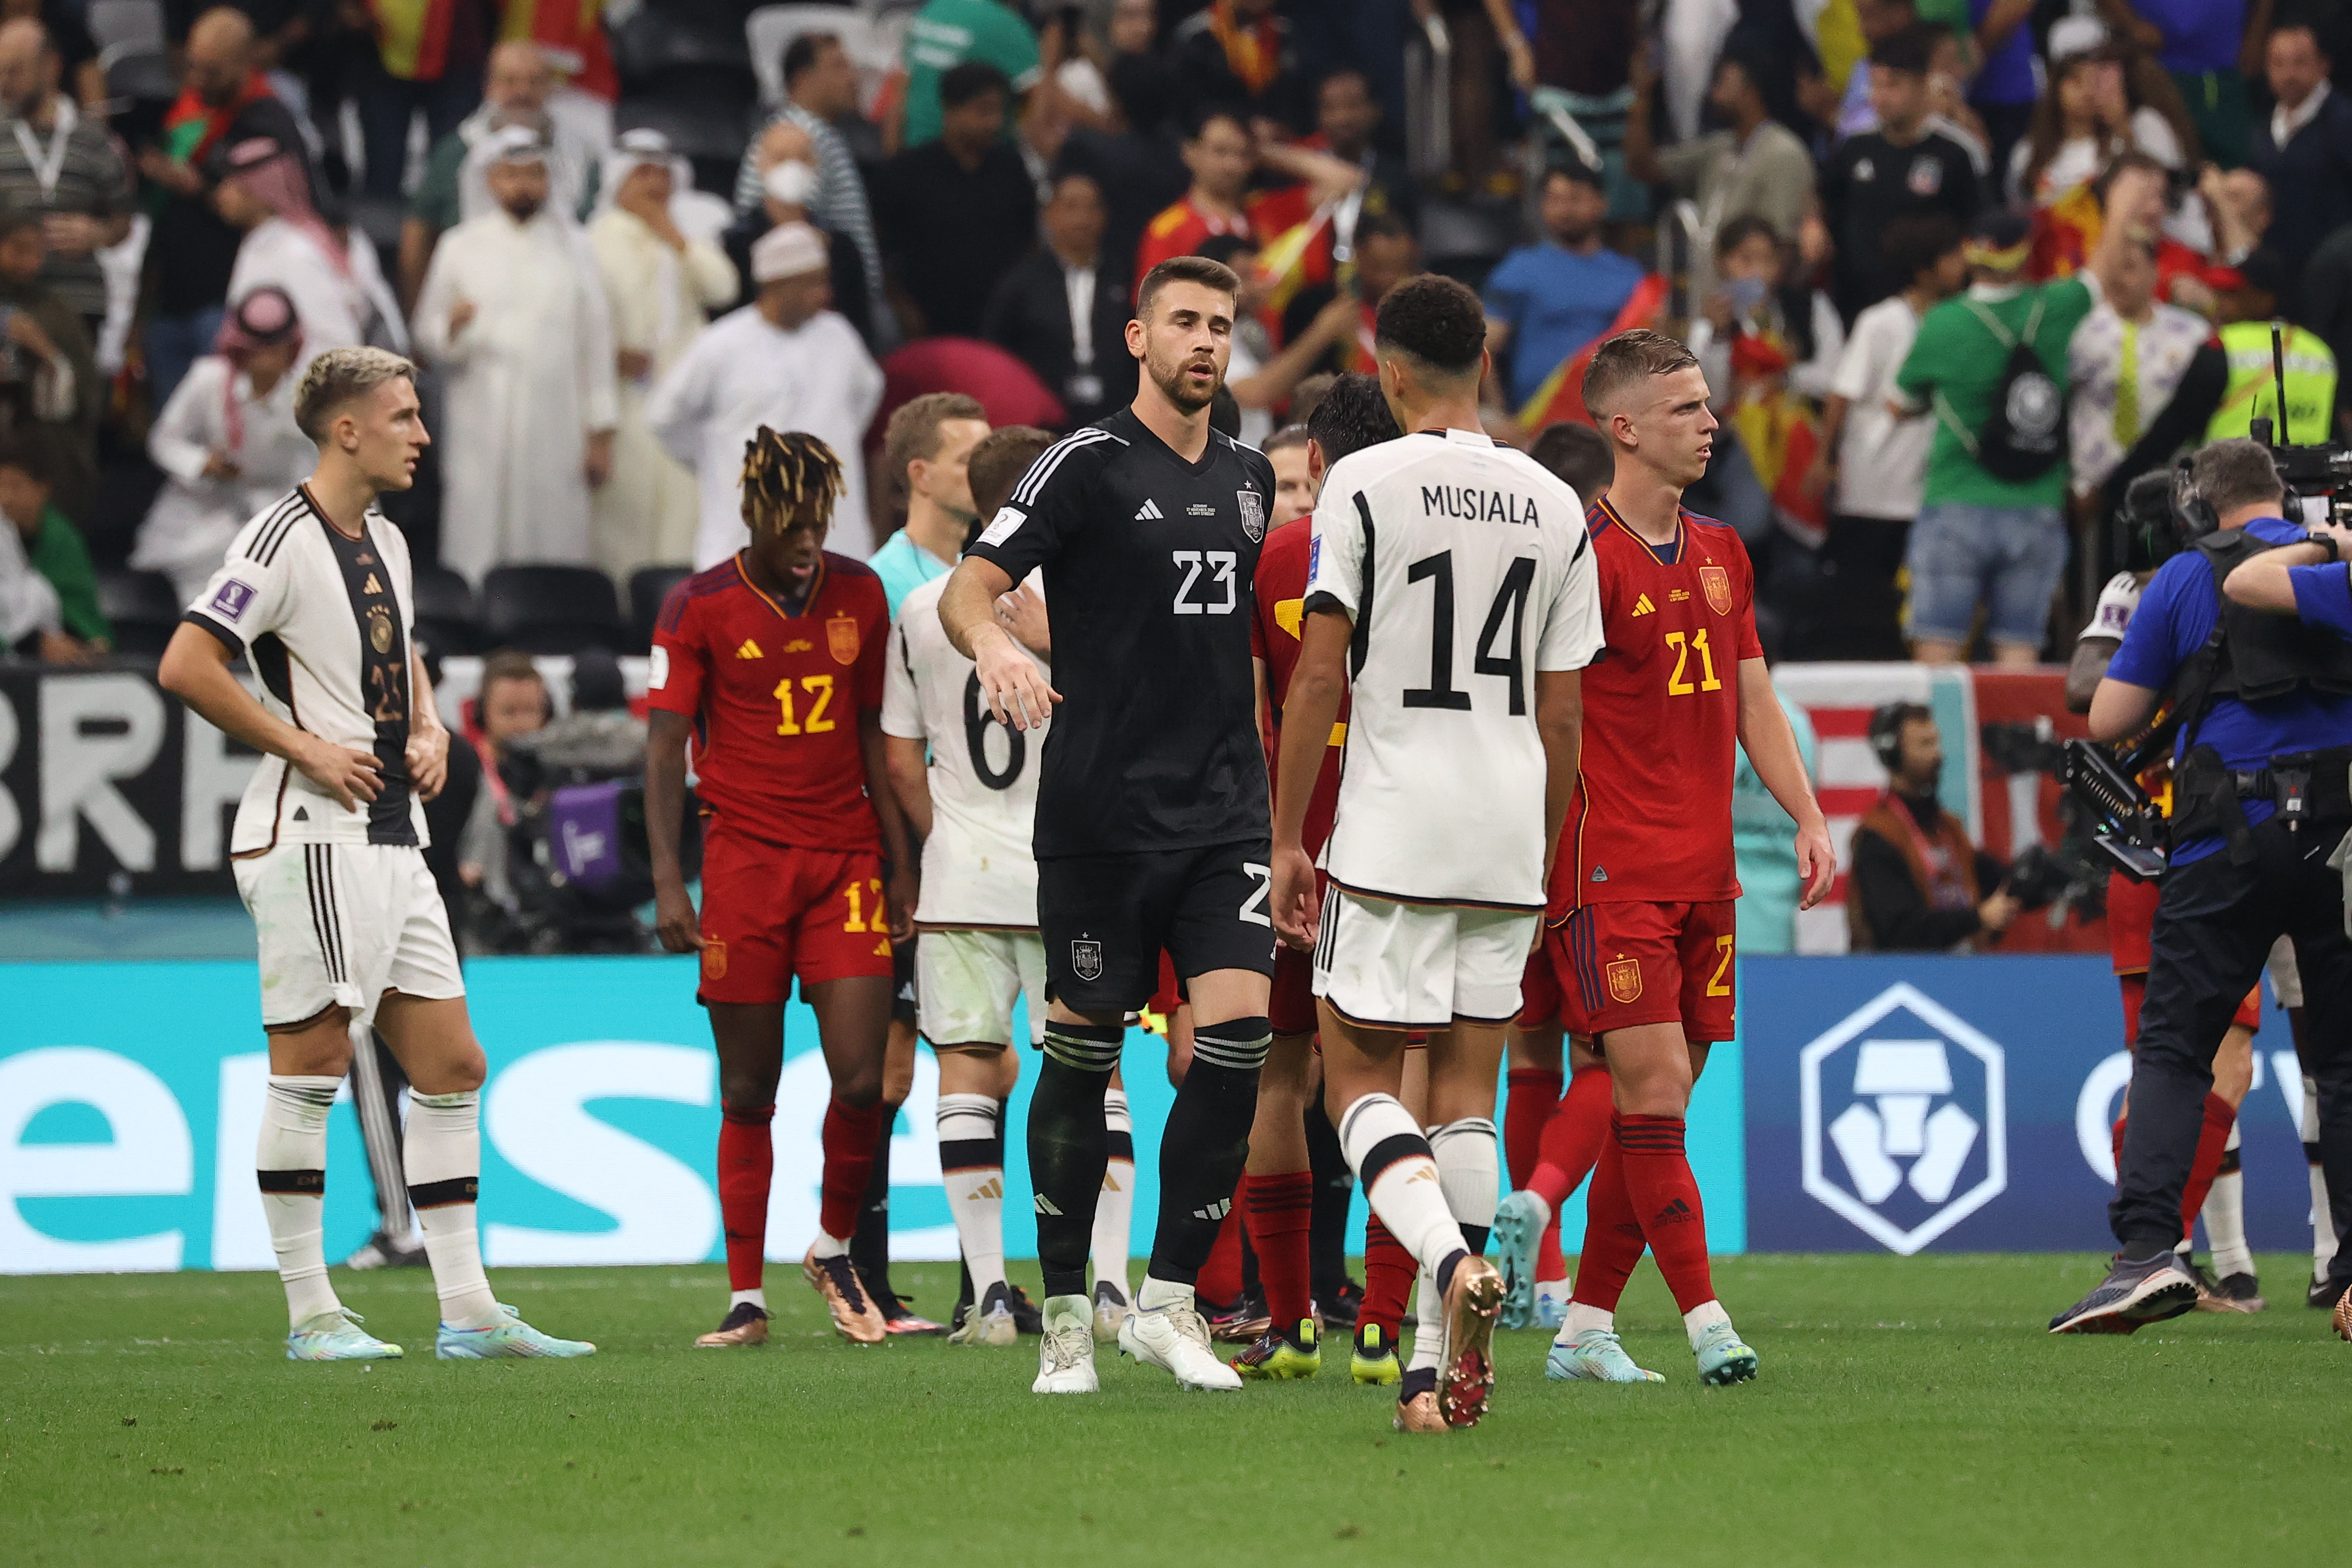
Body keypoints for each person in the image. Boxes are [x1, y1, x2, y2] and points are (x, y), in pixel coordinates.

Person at [155, 345, 593, 1362]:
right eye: (404, 416)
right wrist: (305, 744)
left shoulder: (386, 541)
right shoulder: (274, 539)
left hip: (396, 834)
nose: (422, 434)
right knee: (309, 1067)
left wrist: (433, 728)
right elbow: (186, 662)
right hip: (312, 834)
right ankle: (313, 1315)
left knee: (452, 1065)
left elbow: (406, 660)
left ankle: (470, 1314)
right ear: (347, 429)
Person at [940, 253, 1277, 1397]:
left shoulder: (1248, 478)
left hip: (1224, 813)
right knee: (1084, 1055)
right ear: (1137, 338)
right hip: (1098, 817)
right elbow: (968, 588)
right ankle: (1071, 1317)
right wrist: (994, 646)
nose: (1205, 343)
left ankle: (1171, 1305)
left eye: (1221, 326)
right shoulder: (1082, 466)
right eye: (1184, 321)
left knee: (1237, 1048)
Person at [1264, 274, 1597, 1429]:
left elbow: (1319, 674)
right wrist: (1546, 850)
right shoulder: (1559, 503)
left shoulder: (1360, 480)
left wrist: (1286, 836)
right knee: (1466, 1095)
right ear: (1489, 361)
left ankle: (1452, 1268)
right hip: (1508, 829)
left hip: (1396, 820)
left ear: (1389, 373)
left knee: (1354, 1074)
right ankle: (1428, 1378)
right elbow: (1566, 718)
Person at [1492, 328, 1834, 1386]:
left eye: (1707, 404)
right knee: (1646, 1093)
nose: (1710, 423)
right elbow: (1530, 716)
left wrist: (1809, 816)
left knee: (1664, 1107)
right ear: (1624, 427)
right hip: (1605, 872)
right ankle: (1707, 1324)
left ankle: (1586, 1323)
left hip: (1705, 875)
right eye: (1686, 407)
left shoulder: (1726, 552)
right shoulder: (1574, 559)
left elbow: (1754, 700)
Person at [2053, 436, 2352, 1335]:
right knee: (2340, 1062)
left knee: (2175, 1052)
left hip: (2224, 831)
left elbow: (2106, 715)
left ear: (2201, 505)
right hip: (2341, 832)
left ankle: (2147, 1254)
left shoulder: (2183, 577)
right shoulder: (2336, 563)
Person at [642, 427, 913, 1350]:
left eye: (819, 522)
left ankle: (833, 1247)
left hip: (844, 861)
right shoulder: (699, 604)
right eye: (791, 523)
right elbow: (663, 750)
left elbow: (877, 733)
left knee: (864, 1079)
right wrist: (668, 885)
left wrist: (901, 860)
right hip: (745, 867)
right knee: (748, 1088)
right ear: (754, 514)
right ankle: (746, 1297)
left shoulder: (862, 593)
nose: (808, 540)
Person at [882, 422, 1064, 1346]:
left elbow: (900, 756)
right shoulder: (1073, 599)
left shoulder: (921, 609)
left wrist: (942, 836)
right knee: (1089, 1074)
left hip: (959, 872)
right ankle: (1105, 1289)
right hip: (1066, 870)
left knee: (963, 1072)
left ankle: (989, 1294)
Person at [2068, 560, 2270, 1314]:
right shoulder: (2141, 591)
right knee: (2176, 1065)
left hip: (2233, 854)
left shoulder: (2265, 582)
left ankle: (2165, 1254)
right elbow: (2084, 692)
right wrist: (2170, 652)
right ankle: (2154, 1255)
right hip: (2157, 864)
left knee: (2232, 1069)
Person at [1895, 174, 2155, 666]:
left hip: (1955, 501)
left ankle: (1943, 745)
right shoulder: (2058, 307)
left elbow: (1899, 403)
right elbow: (2103, 264)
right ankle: (2016, 742)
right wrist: (2120, 206)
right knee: (2019, 648)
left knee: (1938, 646)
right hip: (2036, 505)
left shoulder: (1943, 321)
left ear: (1973, 253)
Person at [412, 126, 617, 586]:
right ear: (490, 180)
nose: (523, 186)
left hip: (558, 419)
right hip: (481, 414)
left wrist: (601, 430)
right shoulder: (459, 246)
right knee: (479, 525)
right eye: (511, 175)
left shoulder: (577, 249)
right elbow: (427, 334)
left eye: (533, 175)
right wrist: (453, 329)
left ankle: (548, 616)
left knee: (553, 523)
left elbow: (596, 341)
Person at [647, 222, 885, 568]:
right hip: (744, 530)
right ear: (778, 284)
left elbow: (867, 397)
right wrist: (713, 459)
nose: (825, 293)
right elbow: (664, 416)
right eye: (813, 282)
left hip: (835, 529)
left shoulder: (840, 336)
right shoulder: (723, 343)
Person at [1807, 214, 1965, 661]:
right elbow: (1842, 392)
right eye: (1951, 258)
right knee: (1865, 594)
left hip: (1927, 487)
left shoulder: (1958, 321)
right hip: (1873, 482)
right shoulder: (1881, 322)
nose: (1963, 265)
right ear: (1924, 269)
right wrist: (1824, 457)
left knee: (1915, 598)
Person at [139, 7, 312, 407]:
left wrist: (198, 187)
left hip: (226, 303)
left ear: (244, 62)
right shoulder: (185, 113)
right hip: (169, 299)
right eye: (193, 68)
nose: (198, 80)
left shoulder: (268, 121)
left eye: (212, 71)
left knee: (225, 431)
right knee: (176, 432)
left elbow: (285, 208)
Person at [586, 130, 739, 581]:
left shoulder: (688, 239)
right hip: (622, 406)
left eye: (662, 174)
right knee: (622, 525)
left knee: (681, 524)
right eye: (642, 173)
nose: (654, 184)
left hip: (684, 407)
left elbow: (723, 287)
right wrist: (610, 355)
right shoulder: (593, 241)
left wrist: (673, 235)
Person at [134, 287, 310, 604]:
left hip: (274, 511)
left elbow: (314, 465)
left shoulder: (305, 397)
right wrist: (202, 463)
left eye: (277, 349)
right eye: (259, 349)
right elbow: (163, 440)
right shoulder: (208, 380)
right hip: (205, 508)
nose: (268, 359)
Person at [397, 41, 601, 311]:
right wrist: (418, 316)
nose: (522, 92)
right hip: (472, 304)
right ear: (489, 86)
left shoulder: (581, 156)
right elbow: (418, 232)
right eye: (510, 81)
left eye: (534, 82)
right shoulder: (457, 151)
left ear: (551, 88)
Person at [1818, 26, 1983, 322]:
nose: (1879, 97)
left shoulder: (1956, 153)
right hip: (1856, 304)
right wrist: (1812, 223)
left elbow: (1977, 226)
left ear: (1922, 84)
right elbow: (1824, 200)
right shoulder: (1855, 147)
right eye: (1875, 85)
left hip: (1933, 311)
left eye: (1892, 85)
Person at [872, 62, 1037, 342]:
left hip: (998, 325)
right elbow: (882, 249)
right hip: (927, 325)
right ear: (951, 110)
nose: (994, 123)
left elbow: (1028, 241)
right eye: (982, 111)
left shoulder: (1010, 167)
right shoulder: (908, 171)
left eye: (998, 112)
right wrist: (901, 306)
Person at [733, 32, 884, 329]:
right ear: (803, 78)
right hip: (825, 300)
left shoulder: (823, 134)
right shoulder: (798, 135)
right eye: (838, 67)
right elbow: (786, 217)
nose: (851, 77)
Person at [219, 137, 406, 374]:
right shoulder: (261, 244)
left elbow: (337, 344)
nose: (221, 195)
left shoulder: (294, 251)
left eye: (233, 186)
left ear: (258, 190)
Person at [0, 17, 130, 340]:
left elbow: (123, 221)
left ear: (50, 66)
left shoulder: (95, 138)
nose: (4, 82)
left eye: (14, 70)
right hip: (8, 306)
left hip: (79, 304)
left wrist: (98, 232)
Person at [1846, 703, 2014, 950]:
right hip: (1903, 978)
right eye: (1925, 745)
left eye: (1936, 742)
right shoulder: (1878, 835)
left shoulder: (1948, 827)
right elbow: (1898, 931)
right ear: (1893, 754)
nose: (1938, 755)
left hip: (1962, 971)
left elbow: (1993, 878)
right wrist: (1977, 919)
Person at [1481, 164, 1646, 413]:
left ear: (1602, 203)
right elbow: (1484, 349)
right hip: (1536, 420)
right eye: (1555, 199)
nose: (1565, 210)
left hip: (1610, 417)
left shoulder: (1630, 277)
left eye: (1576, 199)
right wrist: (1499, 415)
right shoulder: (1519, 269)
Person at [984, 170, 1138, 431]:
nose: (1082, 219)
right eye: (1070, 207)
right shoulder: (1022, 281)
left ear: (1104, 217)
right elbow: (997, 348)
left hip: (1117, 412)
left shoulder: (1124, 276)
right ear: (1048, 215)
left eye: (1091, 208)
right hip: (1044, 414)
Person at [1624, 39, 1815, 246]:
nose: (1712, 93)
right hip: (1704, 276)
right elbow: (1643, 167)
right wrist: (1642, 98)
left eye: (1721, 81)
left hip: (1750, 278)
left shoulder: (1784, 152)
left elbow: (1783, 243)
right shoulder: (1718, 147)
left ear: (1749, 90)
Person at [2246, 20, 2352, 312]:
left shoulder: (2344, 123)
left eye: (2300, 63)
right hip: (2277, 280)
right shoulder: (2263, 130)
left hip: (2337, 285)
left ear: (2323, 65)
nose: (2289, 74)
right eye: (2278, 64)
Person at [0, 203, 94, 520]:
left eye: (38, 253)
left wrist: (50, 363)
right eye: (19, 250)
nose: (32, 263)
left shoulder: (53, 308)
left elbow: (83, 384)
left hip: (36, 430)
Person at [872, 393, 990, 616]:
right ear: (921, 475)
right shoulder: (881, 584)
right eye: (969, 460)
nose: (988, 472)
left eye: (988, 460)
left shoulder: (977, 574)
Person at [898, 0, 1039, 153]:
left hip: (914, 150)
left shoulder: (932, 10)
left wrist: (894, 164)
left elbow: (899, 95)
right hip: (971, 159)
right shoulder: (1002, 24)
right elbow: (1045, 101)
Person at [1, 433, 98, 647]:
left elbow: (81, 609)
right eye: (0, 487)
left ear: (43, 488)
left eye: (16, 486)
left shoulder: (62, 538)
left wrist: (85, 642)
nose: (6, 498)